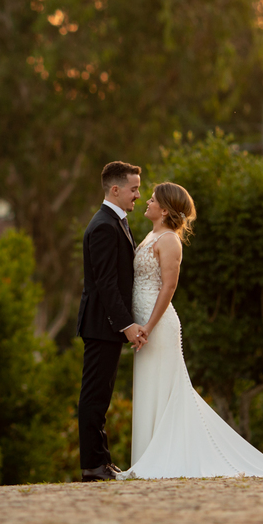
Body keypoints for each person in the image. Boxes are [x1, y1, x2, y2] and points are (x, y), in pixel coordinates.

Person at [121, 181, 263, 479]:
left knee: (163, 388)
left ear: (165, 209)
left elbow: (169, 286)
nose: (147, 201)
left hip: (157, 326)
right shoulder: (150, 235)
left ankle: (162, 460)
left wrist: (149, 327)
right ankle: (146, 457)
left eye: (152, 199)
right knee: (148, 386)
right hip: (142, 326)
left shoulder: (169, 240)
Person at [75, 161, 148, 482]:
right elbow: (105, 283)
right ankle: (93, 466)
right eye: (134, 189)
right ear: (115, 190)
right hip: (101, 324)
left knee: (101, 394)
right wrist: (126, 324)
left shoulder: (115, 221)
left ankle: (101, 461)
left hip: (105, 325)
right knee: (94, 395)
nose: (138, 195)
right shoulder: (104, 225)